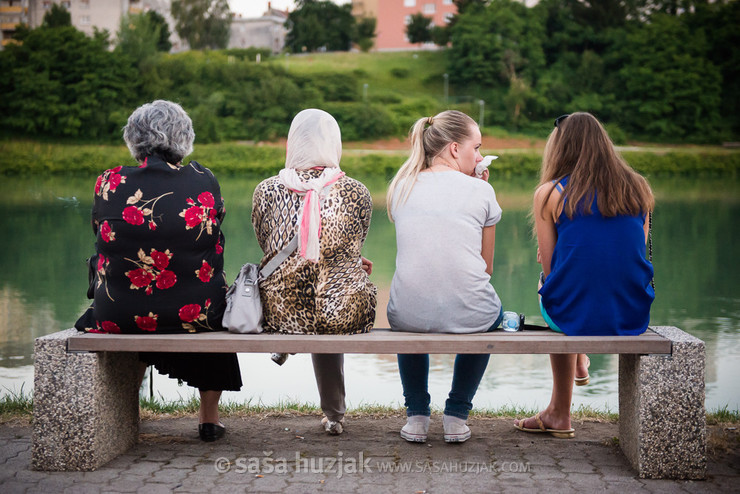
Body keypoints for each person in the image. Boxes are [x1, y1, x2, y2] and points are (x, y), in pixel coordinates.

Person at [75, 100, 242, 442]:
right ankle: (209, 420)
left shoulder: (109, 181)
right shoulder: (203, 180)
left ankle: (127, 413)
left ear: (134, 138)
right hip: (197, 313)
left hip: (116, 312)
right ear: (184, 137)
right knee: (207, 297)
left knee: (140, 303)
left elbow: (98, 231)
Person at [515, 112, 654, 438]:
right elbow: (628, 257)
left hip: (571, 313)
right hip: (632, 313)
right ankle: (577, 362)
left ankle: (560, 412)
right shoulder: (638, 189)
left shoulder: (549, 194)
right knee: (580, 288)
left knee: (550, 287)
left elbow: (552, 273)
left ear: (560, 148)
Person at [251, 108, 377, 435]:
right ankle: (335, 416)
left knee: (303, 293)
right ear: (334, 143)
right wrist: (348, 262)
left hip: (282, 312)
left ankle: (289, 341)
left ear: (293, 142)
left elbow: (268, 246)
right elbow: (353, 244)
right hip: (345, 312)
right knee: (330, 297)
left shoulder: (266, 190)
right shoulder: (357, 191)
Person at [386, 110, 504, 444]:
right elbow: (486, 268)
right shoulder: (482, 192)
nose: (480, 156)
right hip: (471, 314)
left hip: (407, 313)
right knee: (488, 313)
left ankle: (417, 416)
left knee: (411, 309)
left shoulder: (400, 186)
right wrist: (480, 191)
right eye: (476, 147)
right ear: (454, 149)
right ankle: (456, 415)